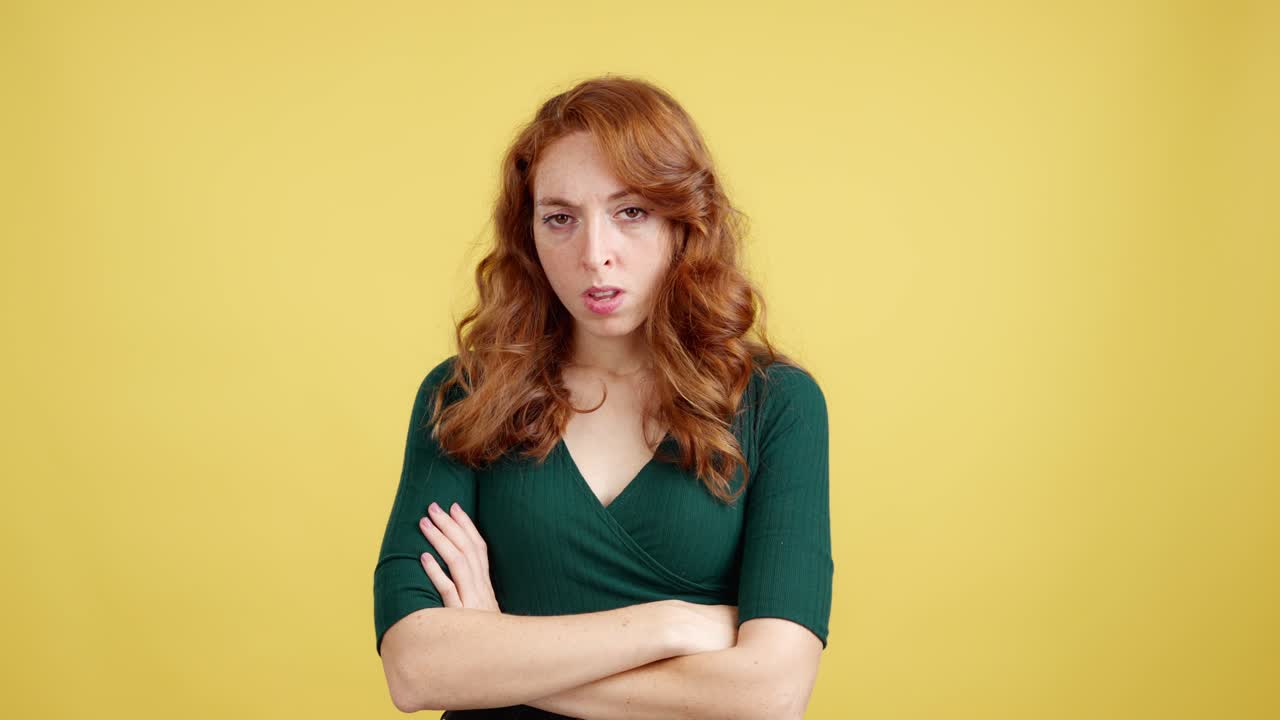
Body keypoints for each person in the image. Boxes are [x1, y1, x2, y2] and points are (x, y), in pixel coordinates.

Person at [373, 74, 833, 719]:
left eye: (631, 212)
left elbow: (770, 694)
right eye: (560, 218)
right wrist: (670, 623)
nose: (595, 255)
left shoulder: (775, 403)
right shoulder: (463, 396)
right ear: (528, 234)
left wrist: (495, 655)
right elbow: (416, 670)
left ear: (684, 221)